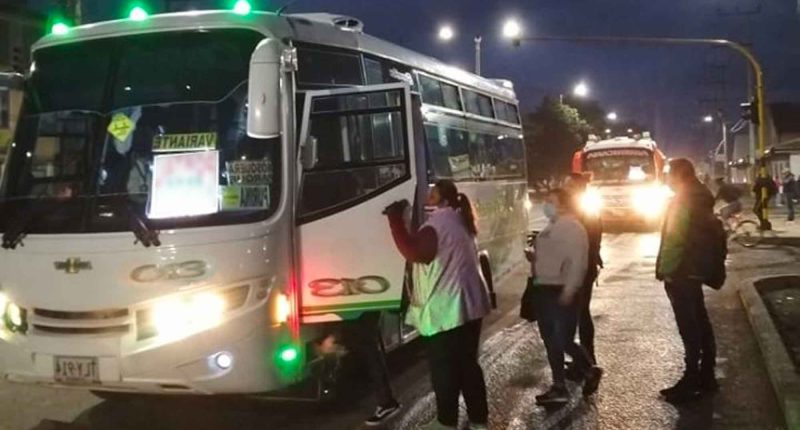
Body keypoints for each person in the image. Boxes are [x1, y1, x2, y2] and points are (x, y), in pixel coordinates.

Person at [384, 180, 491, 430]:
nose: (426, 200)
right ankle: (478, 420)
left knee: (445, 371)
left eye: (432, 196)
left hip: (448, 312)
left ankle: (446, 422)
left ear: (442, 201)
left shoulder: (437, 225)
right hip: (469, 307)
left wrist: (395, 221)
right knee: (468, 366)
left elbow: (414, 252)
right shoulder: (459, 220)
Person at [528, 188, 602, 406]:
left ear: (563, 204)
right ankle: (559, 386)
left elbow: (578, 263)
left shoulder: (573, 228)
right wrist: (534, 258)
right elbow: (551, 256)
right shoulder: (552, 226)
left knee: (562, 339)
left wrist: (570, 291)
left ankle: (589, 370)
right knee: (551, 341)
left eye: (550, 201)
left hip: (559, 290)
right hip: (544, 288)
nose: (546, 205)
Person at [656, 158, 718, 404]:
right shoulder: (701, 196)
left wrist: (666, 270)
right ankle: (707, 374)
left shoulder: (682, 200)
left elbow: (674, 239)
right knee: (700, 321)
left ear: (680, 175)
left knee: (689, 326)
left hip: (681, 271)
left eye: (669, 174)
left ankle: (691, 379)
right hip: (697, 269)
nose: (667, 179)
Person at [564, 173, 603, 366]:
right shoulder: (584, 211)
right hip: (584, 268)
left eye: (569, 186)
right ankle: (585, 357)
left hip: (579, 270)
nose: (565, 189)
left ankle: (586, 361)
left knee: (579, 313)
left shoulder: (580, 213)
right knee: (580, 313)